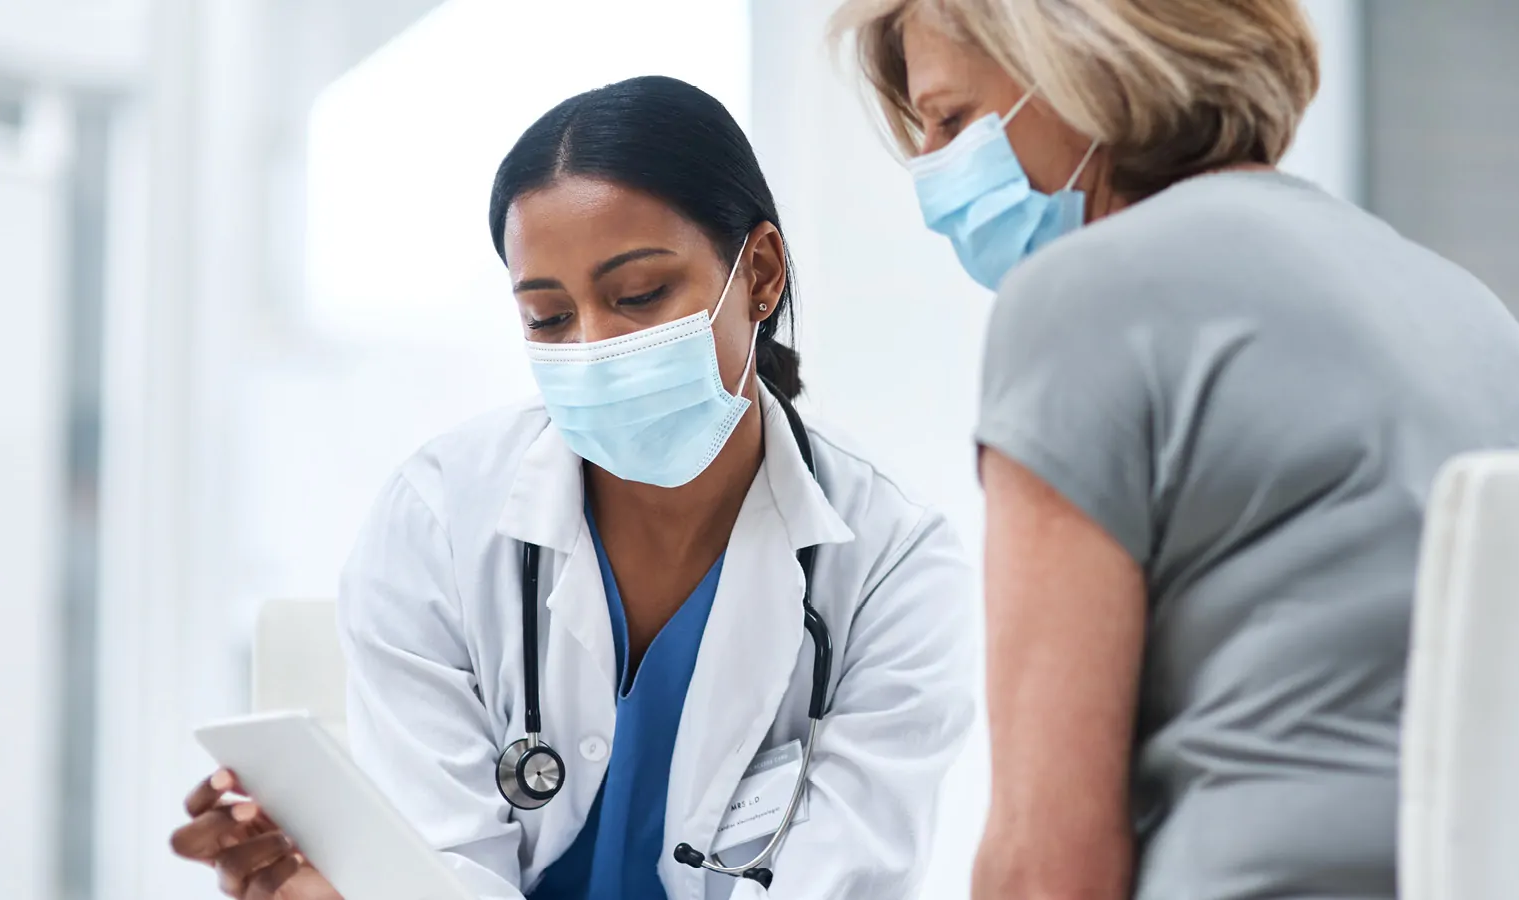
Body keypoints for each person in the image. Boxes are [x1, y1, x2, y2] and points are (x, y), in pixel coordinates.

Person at [833, 1, 1519, 898]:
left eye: (952, 120)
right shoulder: (1474, 315)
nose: (932, 183)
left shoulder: (1081, 297)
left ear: (1083, 64)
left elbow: (1049, 867)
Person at [169, 75, 976, 900]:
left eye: (639, 296)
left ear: (760, 273)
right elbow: (438, 878)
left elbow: (837, 881)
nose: (595, 347)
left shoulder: (892, 565)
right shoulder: (438, 522)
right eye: (549, 318)